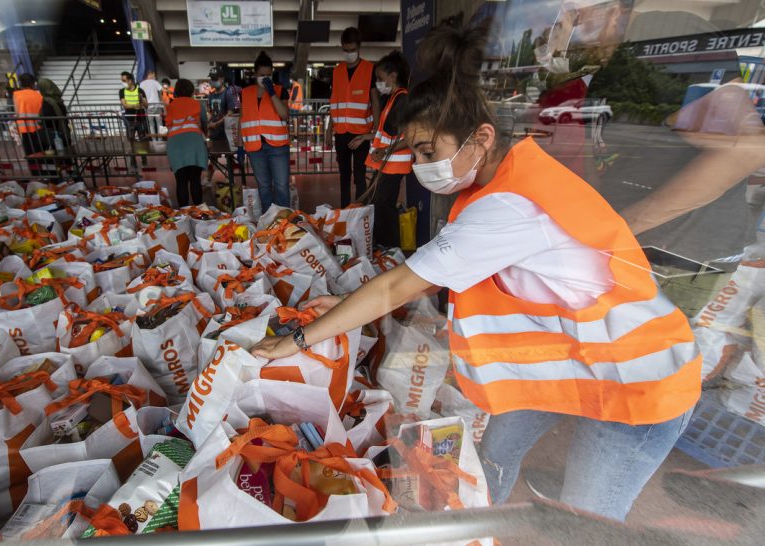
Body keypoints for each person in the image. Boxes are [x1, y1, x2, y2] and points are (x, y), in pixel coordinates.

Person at [252, 18, 700, 523]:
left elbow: (401, 284)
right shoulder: (501, 176)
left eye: (428, 152)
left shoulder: (506, 207)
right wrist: (348, 308)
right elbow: (443, 280)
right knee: (490, 459)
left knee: (586, 518)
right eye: (415, 154)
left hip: (639, 377)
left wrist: (301, 339)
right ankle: (482, 530)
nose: (422, 166)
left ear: (482, 136)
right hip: (564, 360)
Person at [326, 26, 381, 207]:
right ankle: (344, 211)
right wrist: (328, 129)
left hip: (360, 134)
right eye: (346, 50)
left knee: (359, 175)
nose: (349, 53)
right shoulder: (336, 72)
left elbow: (375, 102)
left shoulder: (369, 70)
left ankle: (360, 210)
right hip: (341, 133)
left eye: (352, 50)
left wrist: (376, 131)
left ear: (359, 47)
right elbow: (334, 103)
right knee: (343, 176)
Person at [362, 51, 412, 248]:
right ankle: (382, 244)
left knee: (385, 206)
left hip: (393, 165)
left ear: (393, 76)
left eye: (380, 79)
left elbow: (409, 136)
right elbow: (383, 131)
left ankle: (391, 247)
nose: (378, 83)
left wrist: (385, 151)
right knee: (377, 204)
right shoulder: (392, 98)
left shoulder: (402, 100)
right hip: (385, 164)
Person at [238, 51, 290, 212]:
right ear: (255, 74)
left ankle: (283, 222)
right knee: (264, 188)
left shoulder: (280, 91)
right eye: (262, 75)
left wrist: (272, 93)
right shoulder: (245, 93)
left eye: (269, 75)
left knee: (281, 186)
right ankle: (269, 222)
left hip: (278, 146)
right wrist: (240, 147)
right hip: (255, 148)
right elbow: (242, 120)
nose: (265, 78)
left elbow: (284, 115)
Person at [165, 79, 208, 207]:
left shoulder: (171, 106)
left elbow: (168, 125)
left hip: (176, 147)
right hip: (195, 145)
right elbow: (204, 123)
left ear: (177, 91)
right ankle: (198, 213)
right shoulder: (198, 104)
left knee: (181, 181)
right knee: (195, 181)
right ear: (191, 91)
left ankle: (183, 213)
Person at [37, 77, 70, 147]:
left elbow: (47, 117)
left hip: (55, 135)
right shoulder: (58, 99)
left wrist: (40, 121)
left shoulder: (47, 101)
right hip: (64, 131)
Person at [119, 71, 146, 142]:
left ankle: (143, 153)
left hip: (141, 118)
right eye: (121, 80)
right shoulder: (122, 91)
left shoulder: (140, 90)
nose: (122, 82)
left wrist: (142, 99)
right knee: (131, 140)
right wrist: (135, 106)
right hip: (129, 120)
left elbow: (146, 105)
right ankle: (133, 153)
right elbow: (124, 105)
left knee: (143, 140)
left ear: (130, 81)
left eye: (124, 80)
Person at [139, 70, 165, 136]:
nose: (155, 77)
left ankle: (153, 140)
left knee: (151, 124)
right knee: (159, 123)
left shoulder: (142, 84)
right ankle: (160, 139)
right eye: (154, 75)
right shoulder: (155, 82)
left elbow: (140, 95)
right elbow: (162, 90)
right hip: (157, 105)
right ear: (151, 74)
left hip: (147, 106)